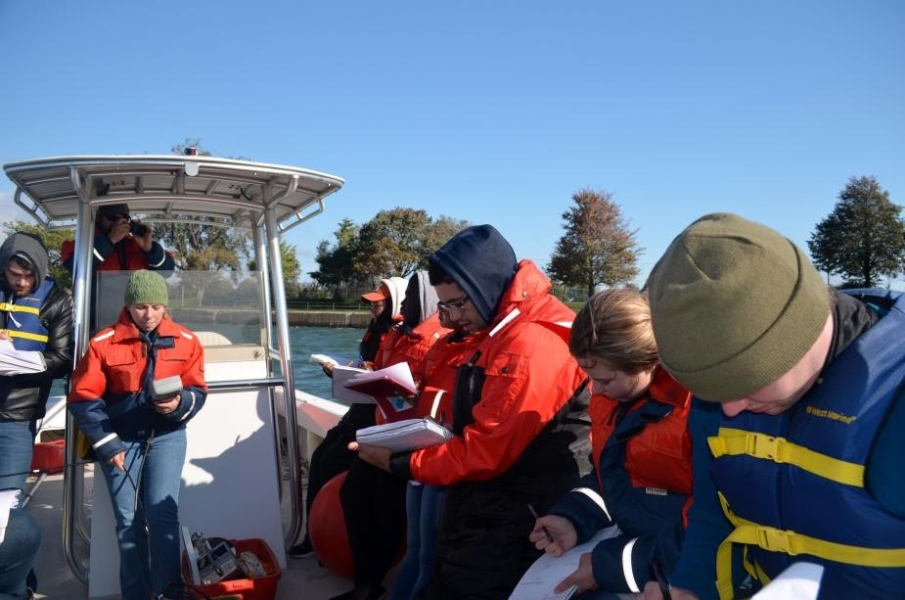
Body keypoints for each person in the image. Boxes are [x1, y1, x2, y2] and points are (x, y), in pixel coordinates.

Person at [640, 212, 905, 600]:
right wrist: (690, 586)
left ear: (798, 335)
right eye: (710, 391)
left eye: (747, 384)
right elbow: (715, 513)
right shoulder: (721, 394)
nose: (728, 410)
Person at [354, 224, 591, 599]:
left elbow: (487, 450)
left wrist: (401, 463)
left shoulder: (528, 342)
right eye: (444, 305)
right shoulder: (500, 330)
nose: (451, 316)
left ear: (486, 287)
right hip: (489, 508)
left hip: (518, 518)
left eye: (458, 303)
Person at [529, 288, 693, 598]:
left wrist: (614, 567)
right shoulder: (612, 401)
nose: (598, 391)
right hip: (634, 554)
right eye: (592, 379)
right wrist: (573, 518)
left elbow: (712, 523)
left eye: (605, 380)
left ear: (646, 361)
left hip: (673, 575)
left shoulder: (695, 412)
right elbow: (612, 479)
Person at [68, 270, 207, 600]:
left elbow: (198, 391)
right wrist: (106, 442)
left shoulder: (188, 341)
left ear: (165, 306)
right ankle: (136, 595)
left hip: (168, 436)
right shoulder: (102, 343)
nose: (150, 315)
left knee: (162, 514)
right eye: (142, 307)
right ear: (129, 306)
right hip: (120, 440)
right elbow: (83, 397)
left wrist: (177, 404)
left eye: (157, 306)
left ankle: (171, 593)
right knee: (128, 520)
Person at [333, 270, 449, 600]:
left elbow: (436, 392)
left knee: (387, 512)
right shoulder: (398, 333)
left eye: (412, 298)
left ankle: (370, 585)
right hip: (382, 429)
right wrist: (367, 376)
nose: (406, 303)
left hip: (408, 440)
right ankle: (365, 581)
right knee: (352, 495)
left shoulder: (437, 339)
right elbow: (383, 367)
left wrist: (416, 393)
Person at [287, 276, 408, 560]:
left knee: (331, 464)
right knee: (319, 460)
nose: (371, 309)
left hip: (373, 416)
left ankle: (331, 540)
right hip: (360, 408)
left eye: (377, 304)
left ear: (394, 303)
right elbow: (371, 365)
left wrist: (362, 373)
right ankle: (313, 535)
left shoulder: (399, 332)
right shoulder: (377, 329)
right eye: (370, 304)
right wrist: (343, 369)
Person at [0, 232, 74, 600]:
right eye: (14, 274)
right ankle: (21, 583)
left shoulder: (57, 300)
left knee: (7, 506)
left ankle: (16, 589)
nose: (21, 282)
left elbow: (63, 359)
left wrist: (21, 362)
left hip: (18, 416)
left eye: (28, 276)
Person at [390, 308, 476, 600]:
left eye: (451, 304)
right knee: (415, 550)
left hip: (446, 463)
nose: (442, 311)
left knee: (429, 556)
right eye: (440, 303)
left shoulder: (484, 349)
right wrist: (412, 391)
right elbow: (429, 388)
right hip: (423, 455)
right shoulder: (443, 345)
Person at [60, 202, 175, 275]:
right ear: (99, 218)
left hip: (136, 312)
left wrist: (150, 249)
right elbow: (74, 267)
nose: (118, 223)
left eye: (124, 219)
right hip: (100, 312)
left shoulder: (136, 245)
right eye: (112, 217)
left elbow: (167, 272)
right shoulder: (84, 243)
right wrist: (109, 240)